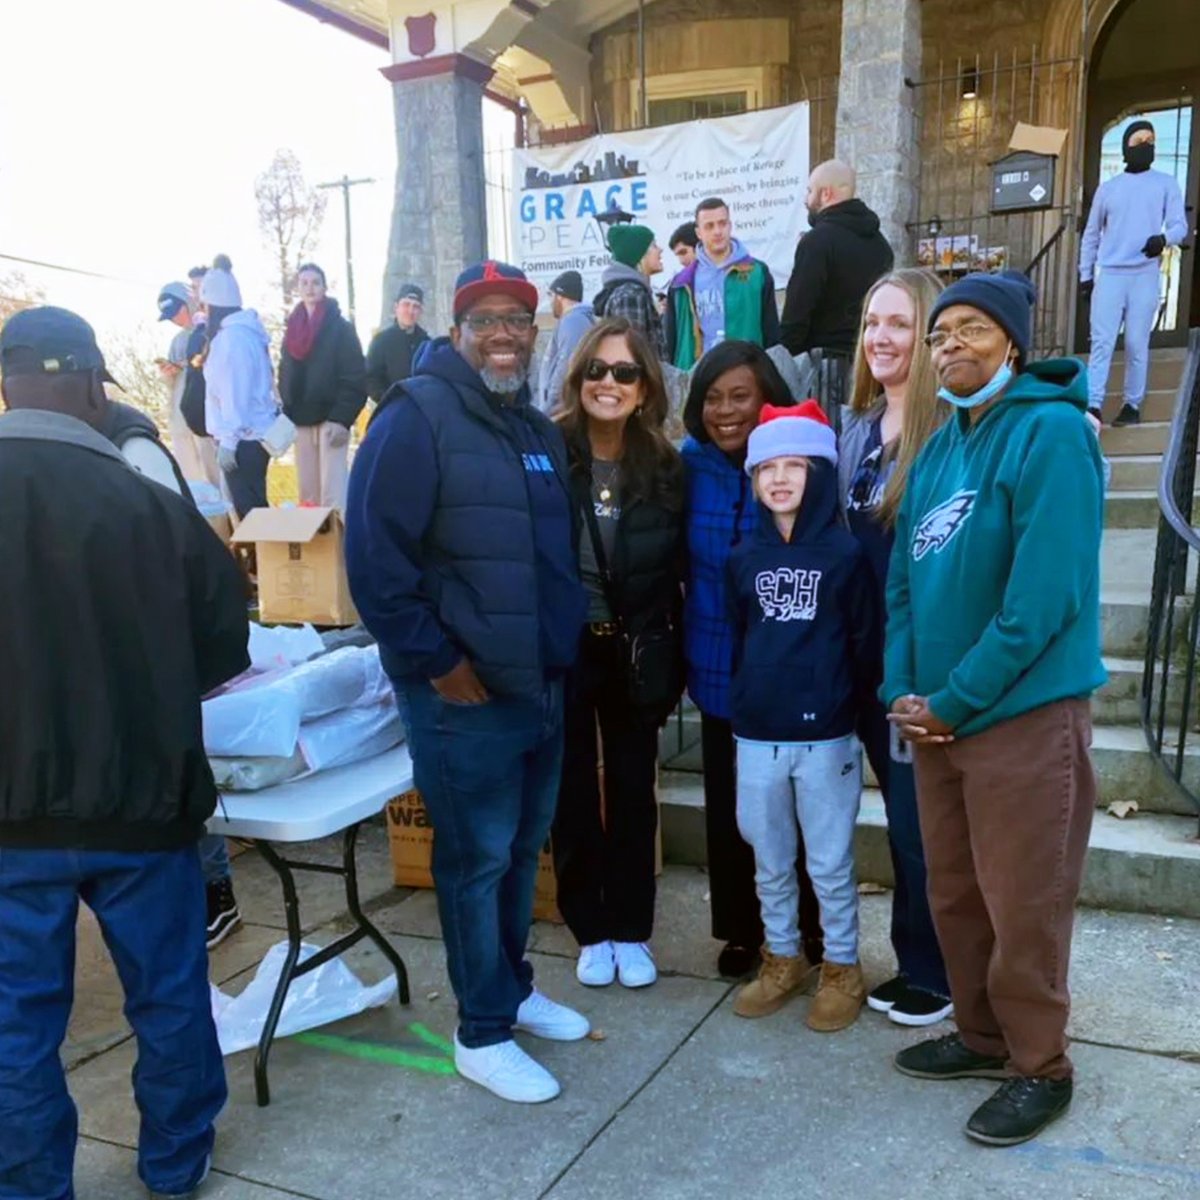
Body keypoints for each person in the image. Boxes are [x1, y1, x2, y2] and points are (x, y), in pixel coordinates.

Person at [0, 306, 250, 1199]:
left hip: (9, 820)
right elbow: (226, 644)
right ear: (96, 390)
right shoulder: (150, 503)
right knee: (170, 995)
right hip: (145, 805)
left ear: (7, 384)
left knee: (14, 1027)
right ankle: (175, 1164)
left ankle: (29, 1187)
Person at [345, 261, 590, 1105]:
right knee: (476, 862)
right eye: (484, 318)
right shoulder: (417, 417)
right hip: (463, 695)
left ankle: (510, 990)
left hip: (539, 686)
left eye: (516, 319)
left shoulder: (533, 428)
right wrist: (437, 663)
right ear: (456, 330)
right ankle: (480, 1032)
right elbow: (375, 562)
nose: (502, 333)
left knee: (521, 854)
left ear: (534, 331)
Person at [884, 270, 1105, 1147]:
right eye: (941, 336)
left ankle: (1040, 1065)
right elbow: (903, 579)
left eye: (970, 330)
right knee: (957, 895)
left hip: (1020, 716)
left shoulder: (1050, 435)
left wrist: (958, 699)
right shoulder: (939, 447)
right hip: (937, 717)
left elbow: (1043, 600)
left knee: (1025, 905)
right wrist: (905, 692)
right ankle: (980, 1038)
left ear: (1012, 341)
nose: (950, 347)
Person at [729, 403, 878, 1030]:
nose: (781, 478)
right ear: (755, 477)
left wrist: (846, 703)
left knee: (829, 860)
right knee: (769, 856)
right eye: (768, 467)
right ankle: (783, 957)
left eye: (796, 465)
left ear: (819, 473)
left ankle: (842, 966)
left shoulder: (845, 554)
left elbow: (864, 639)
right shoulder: (742, 557)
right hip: (758, 732)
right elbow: (743, 633)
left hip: (825, 738)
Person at [681, 340, 824, 978]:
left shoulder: (798, 462)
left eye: (740, 395)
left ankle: (807, 934)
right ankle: (743, 931)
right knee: (734, 810)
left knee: (795, 807)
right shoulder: (689, 467)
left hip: (789, 669)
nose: (725, 410)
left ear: (767, 394)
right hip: (715, 663)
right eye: (712, 397)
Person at [550, 318, 685, 990]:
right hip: (565, 648)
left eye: (625, 372)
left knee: (634, 789)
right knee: (570, 790)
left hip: (636, 650)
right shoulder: (546, 452)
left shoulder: (664, 465)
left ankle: (632, 927)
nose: (609, 383)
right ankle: (589, 927)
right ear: (578, 378)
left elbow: (682, 566)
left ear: (644, 387)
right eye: (597, 370)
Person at [840, 269, 952, 1027]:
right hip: (860, 663)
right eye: (874, 321)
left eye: (901, 323)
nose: (882, 336)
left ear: (931, 337)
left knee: (922, 826)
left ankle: (936, 972)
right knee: (904, 820)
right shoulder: (856, 430)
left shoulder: (950, 435)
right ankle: (916, 958)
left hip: (914, 666)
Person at [1080, 119, 1189, 427]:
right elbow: (1091, 235)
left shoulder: (1166, 183)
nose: (1146, 145)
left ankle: (1132, 403)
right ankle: (1093, 404)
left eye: (1151, 140)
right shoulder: (1108, 189)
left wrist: (1164, 240)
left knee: (1136, 342)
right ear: (1127, 145)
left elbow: (1179, 225)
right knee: (1101, 341)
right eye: (1139, 140)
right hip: (1111, 273)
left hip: (1144, 273)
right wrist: (1085, 275)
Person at [781, 160, 895, 359]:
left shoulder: (817, 242)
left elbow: (796, 315)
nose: (806, 200)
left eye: (809, 191)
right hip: (868, 362)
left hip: (821, 367)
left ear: (826, 194)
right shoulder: (882, 246)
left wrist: (785, 363)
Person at [278, 262, 367, 511]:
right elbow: (285, 371)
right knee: (308, 498)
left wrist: (342, 418)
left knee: (334, 496)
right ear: (298, 288)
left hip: (331, 420)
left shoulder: (341, 329)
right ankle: (315, 549)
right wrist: (287, 407)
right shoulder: (292, 330)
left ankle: (339, 548)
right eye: (304, 283)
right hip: (301, 419)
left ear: (324, 287)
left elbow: (355, 377)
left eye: (315, 282)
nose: (310, 288)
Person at [199, 254, 278, 518]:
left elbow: (235, 395)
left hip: (244, 439)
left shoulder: (232, 341)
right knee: (253, 509)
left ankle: (260, 558)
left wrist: (229, 442)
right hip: (252, 435)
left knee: (251, 515)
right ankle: (261, 556)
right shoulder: (246, 334)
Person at [666, 197, 779, 370]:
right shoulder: (680, 284)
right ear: (698, 233)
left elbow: (771, 335)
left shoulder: (757, 273)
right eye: (709, 226)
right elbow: (672, 341)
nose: (717, 231)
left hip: (746, 372)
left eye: (722, 223)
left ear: (730, 226)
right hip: (697, 377)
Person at [157, 281, 221, 487]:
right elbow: (173, 386)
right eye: (170, 316)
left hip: (204, 418)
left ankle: (228, 518)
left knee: (216, 477)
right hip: (181, 419)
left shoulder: (209, 331)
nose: (175, 319)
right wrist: (169, 374)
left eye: (177, 312)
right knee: (193, 482)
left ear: (188, 303)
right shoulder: (176, 341)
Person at [593, 225, 666, 358]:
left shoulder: (628, 291)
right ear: (639, 255)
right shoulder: (630, 295)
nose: (660, 250)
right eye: (654, 246)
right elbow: (633, 356)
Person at [538, 269, 594, 414]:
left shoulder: (573, 321)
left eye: (551, 295)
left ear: (560, 296)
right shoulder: (575, 320)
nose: (550, 302)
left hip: (563, 409)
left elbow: (566, 365)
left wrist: (550, 407)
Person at [365, 282, 429, 403]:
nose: (410, 311)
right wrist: (388, 399)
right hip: (391, 408)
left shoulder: (427, 343)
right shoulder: (381, 341)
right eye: (406, 305)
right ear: (396, 308)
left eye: (416, 306)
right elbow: (371, 378)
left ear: (420, 311)